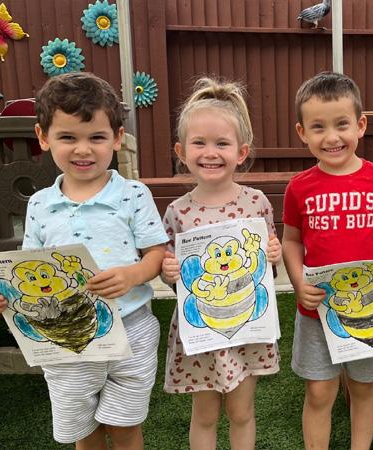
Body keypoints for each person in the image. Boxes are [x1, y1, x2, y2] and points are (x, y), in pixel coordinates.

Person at [1, 72, 169, 449]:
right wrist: (7, 297)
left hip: (132, 330)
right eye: (67, 137)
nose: (83, 149)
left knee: (125, 428)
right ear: (43, 137)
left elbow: (156, 254)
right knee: (83, 432)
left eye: (96, 137)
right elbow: (25, 269)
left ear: (117, 138)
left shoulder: (134, 194)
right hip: (65, 339)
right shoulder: (40, 205)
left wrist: (133, 275)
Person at [282, 71, 373, 450]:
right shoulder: (298, 187)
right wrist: (298, 283)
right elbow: (291, 241)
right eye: (318, 127)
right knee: (319, 392)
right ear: (302, 132)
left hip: (372, 308)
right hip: (316, 310)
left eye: (341, 124)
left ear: (360, 125)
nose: (331, 137)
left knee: (363, 388)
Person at [159, 77, 281, 450]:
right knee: (205, 415)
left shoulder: (257, 203)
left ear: (241, 152)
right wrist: (168, 272)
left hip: (246, 329)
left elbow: (265, 272)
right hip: (202, 332)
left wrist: (272, 256)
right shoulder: (177, 212)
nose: (210, 153)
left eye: (222, 143)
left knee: (242, 412)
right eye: (199, 142)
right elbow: (175, 276)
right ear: (181, 151)